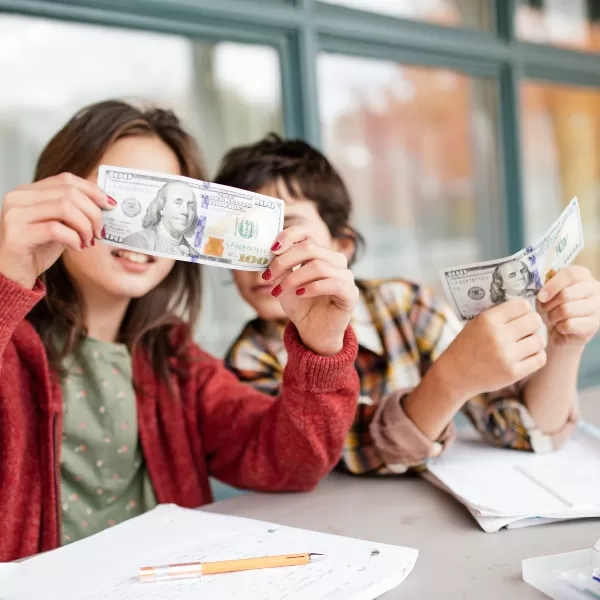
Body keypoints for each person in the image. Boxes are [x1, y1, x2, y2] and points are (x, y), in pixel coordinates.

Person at [0, 103, 361, 561]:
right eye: (125, 198)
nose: (151, 220)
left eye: (177, 204)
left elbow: (291, 464)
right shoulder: (11, 344)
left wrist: (321, 347)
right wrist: (6, 279)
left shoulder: (175, 362)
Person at [218, 134, 600, 477]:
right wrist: (453, 378)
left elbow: (527, 432)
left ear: (342, 247)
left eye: (286, 229)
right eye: (244, 235)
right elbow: (354, 454)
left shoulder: (404, 305)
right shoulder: (249, 358)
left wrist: (566, 342)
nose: (265, 255)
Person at [123, 180, 200, 258]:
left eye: (190, 206)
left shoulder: (194, 255)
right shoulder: (138, 242)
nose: (185, 211)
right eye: (178, 203)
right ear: (162, 208)